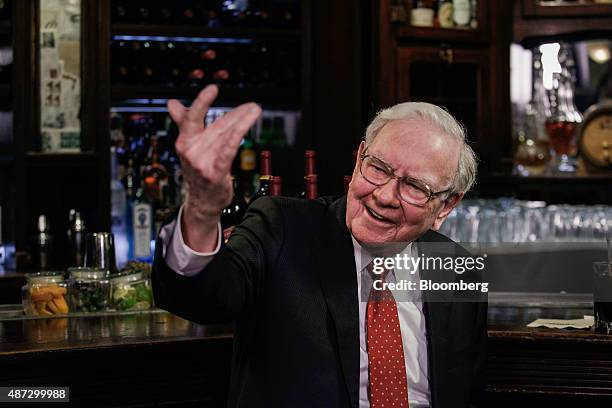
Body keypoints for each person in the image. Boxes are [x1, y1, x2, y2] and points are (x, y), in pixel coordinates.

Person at [152, 85, 487, 408]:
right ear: (358, 160)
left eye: (414, 186)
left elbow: (466, 393)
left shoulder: (457, 270)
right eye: (378, 169)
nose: (384, 196)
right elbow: (201, 296)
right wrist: (201, 210)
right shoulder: (282, 228)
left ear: (445, 207)